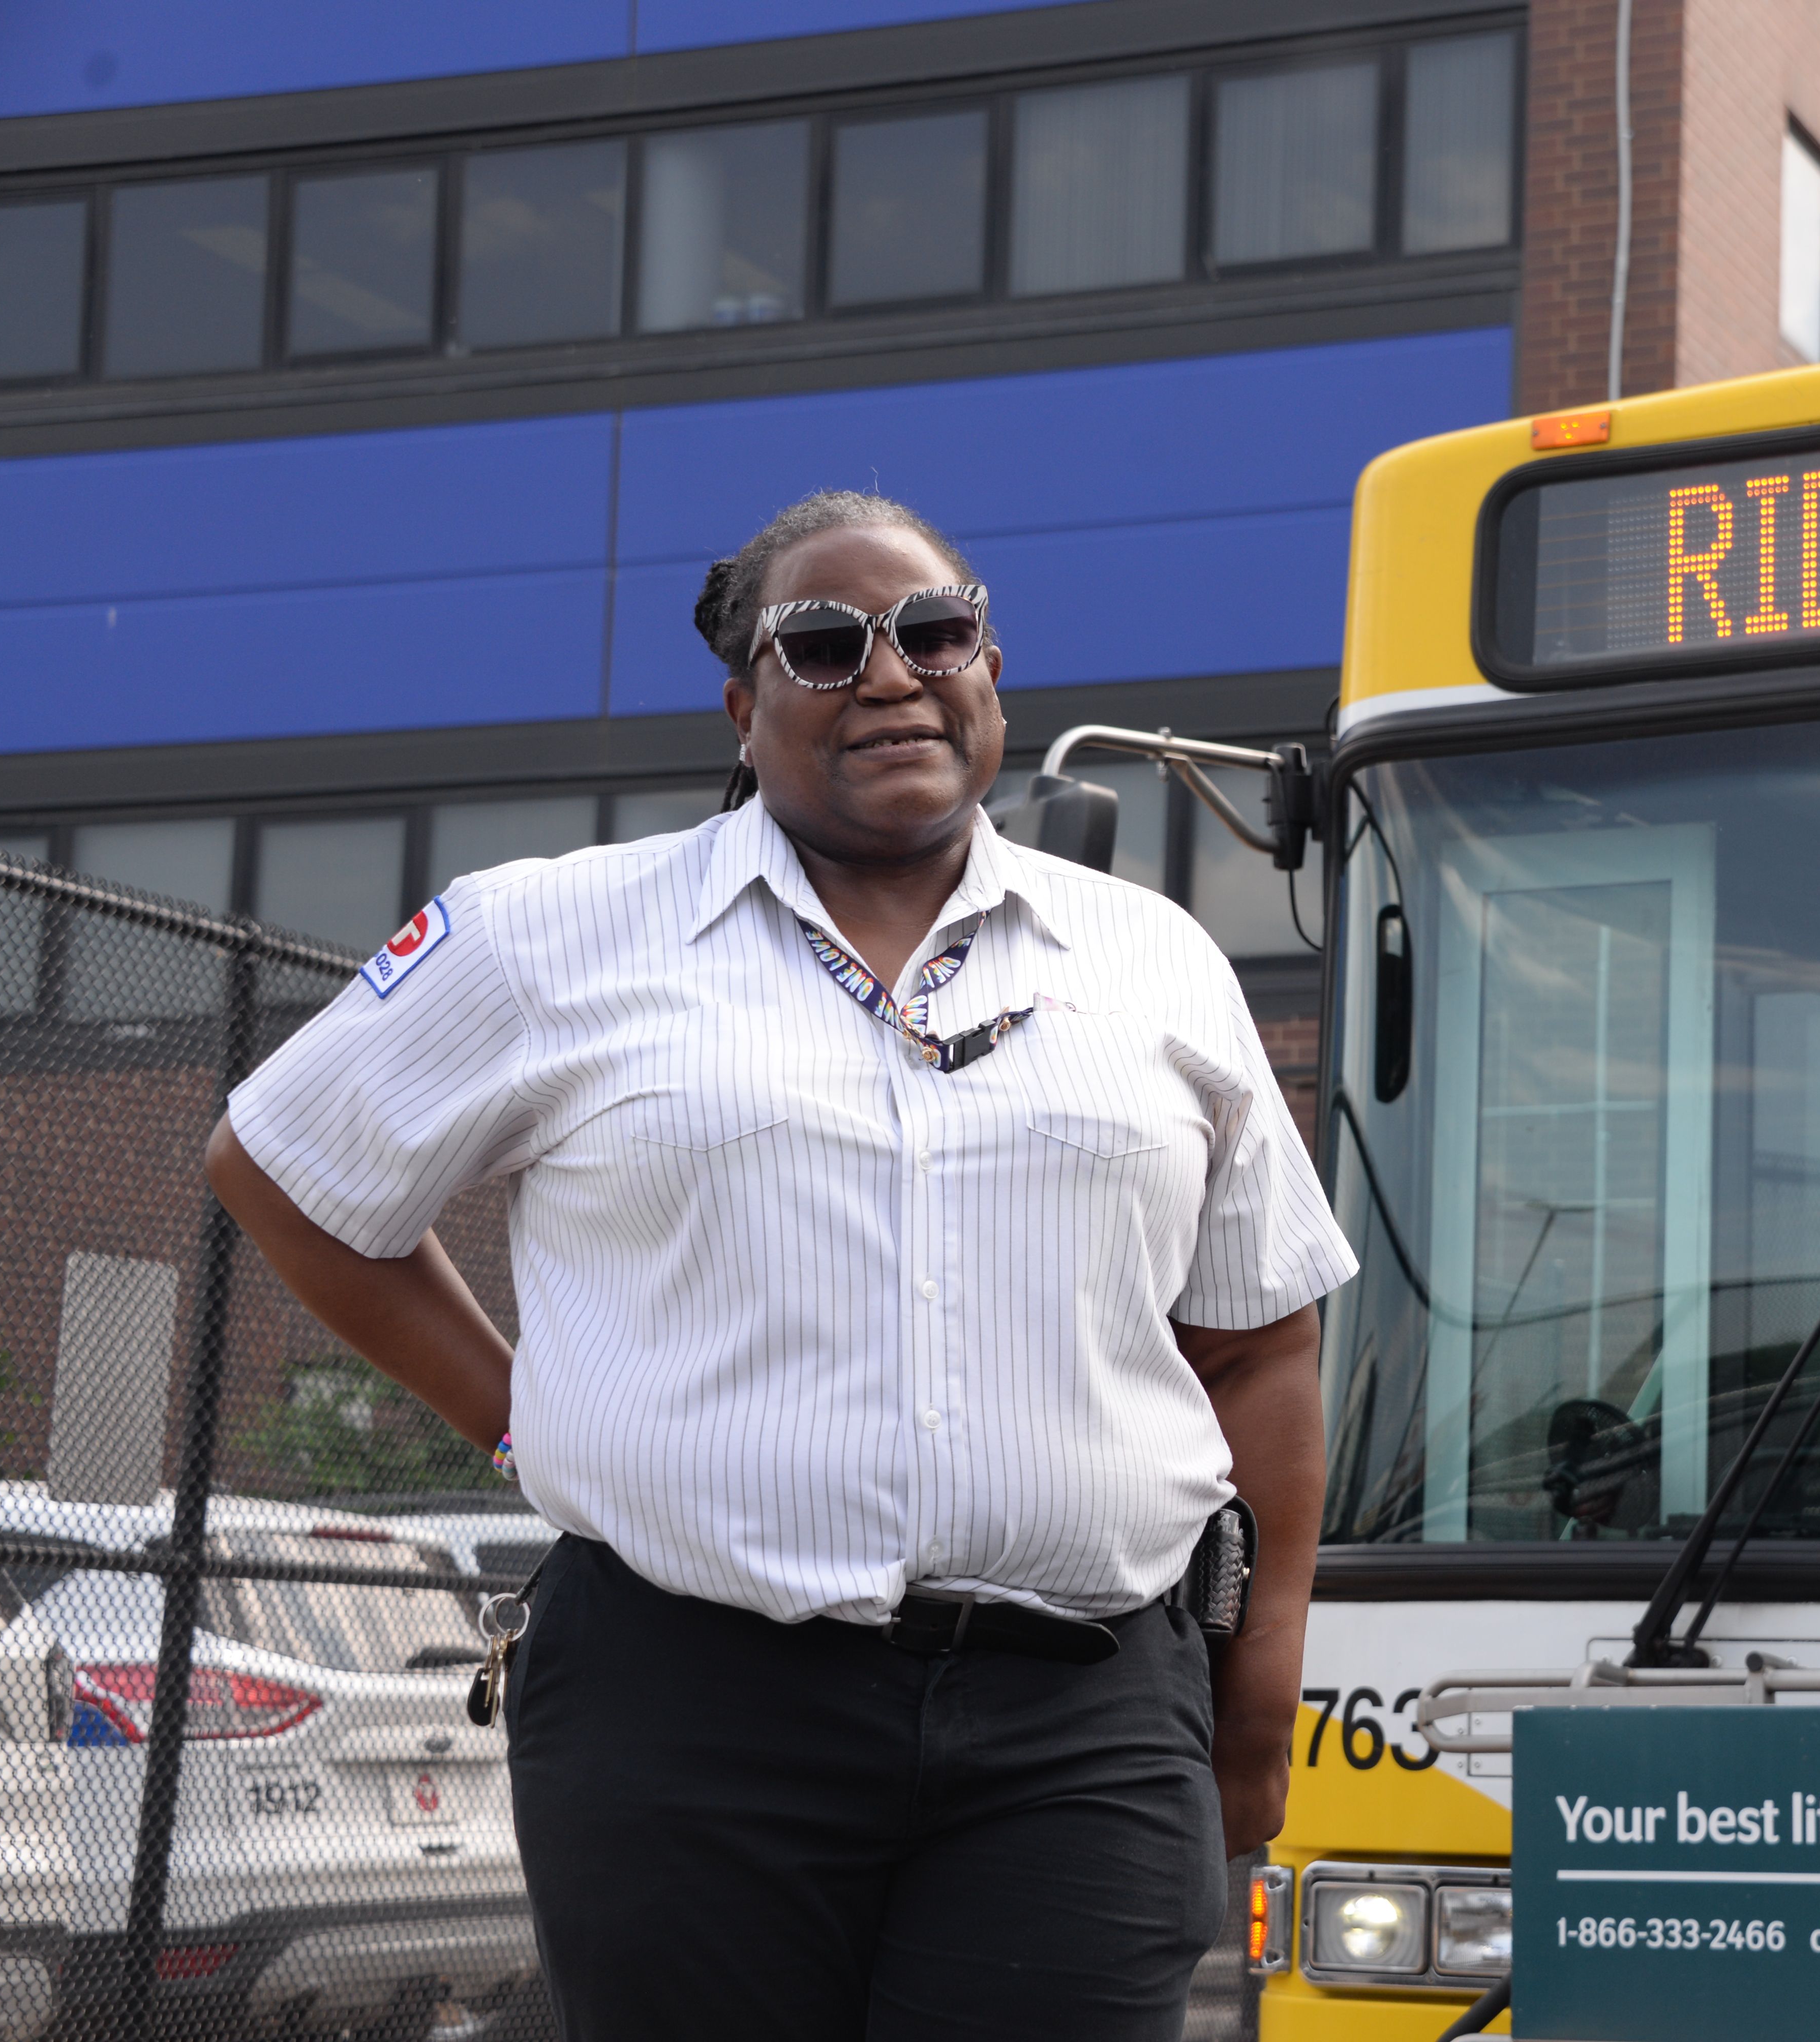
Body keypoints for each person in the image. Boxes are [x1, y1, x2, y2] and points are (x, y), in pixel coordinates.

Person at [202, 489, 1355, 2039]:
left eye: (934, 631)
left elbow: (1265, 1342)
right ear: (745, 710)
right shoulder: (552, 937)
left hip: (1081, 1720)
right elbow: (281, 1169)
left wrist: (1263, 1672)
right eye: (823, 646)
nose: (890, 674)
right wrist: (521, 1413)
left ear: (990, 671)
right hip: (690, 1713)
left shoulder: (1153, 959)